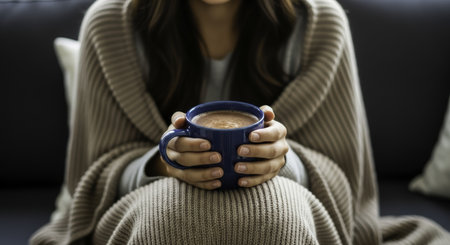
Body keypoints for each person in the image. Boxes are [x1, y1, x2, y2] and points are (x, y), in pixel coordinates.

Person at [31, 0, 450, 244]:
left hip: (298, 209)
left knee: (277, 216)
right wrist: (162, 163)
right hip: (142, 209)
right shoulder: (111, 26)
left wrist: (281, 161)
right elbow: (92, 177)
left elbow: (345, 183)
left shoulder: (320, 24)